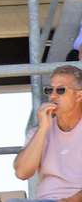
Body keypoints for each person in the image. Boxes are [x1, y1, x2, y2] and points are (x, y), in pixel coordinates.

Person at [14, 65, 82, 202]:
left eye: (61, 90)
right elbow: (22, 172)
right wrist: (42, 128)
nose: (52, 95)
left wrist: (71, 200)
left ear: (79, 95)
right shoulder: (40, 131)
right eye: (49, 90)